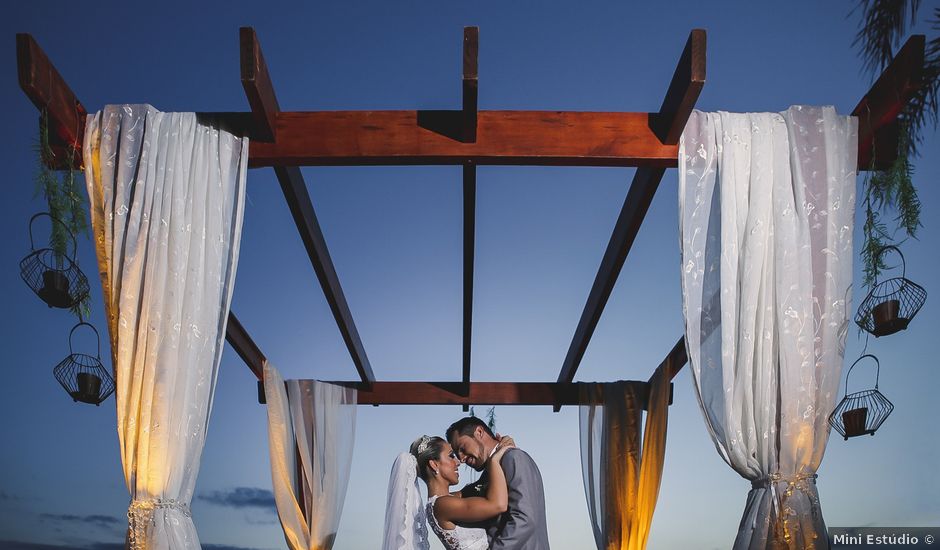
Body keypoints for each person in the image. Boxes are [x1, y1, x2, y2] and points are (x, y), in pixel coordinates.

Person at [381, 434, 515, 550]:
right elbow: (498, 505)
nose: (458, 462)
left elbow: (479, 485)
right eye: (451, 456)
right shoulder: (442, 505)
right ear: (434, 465)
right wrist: (495, 461)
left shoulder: (448, 500)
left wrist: (497, 449)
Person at [447, 417, 550, 549]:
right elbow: (463, 497)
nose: (461, 458)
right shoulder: (490, 472)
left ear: (479, 432)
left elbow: (525, 519)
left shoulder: (513, 458)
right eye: (456, 453)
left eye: (462, 448)